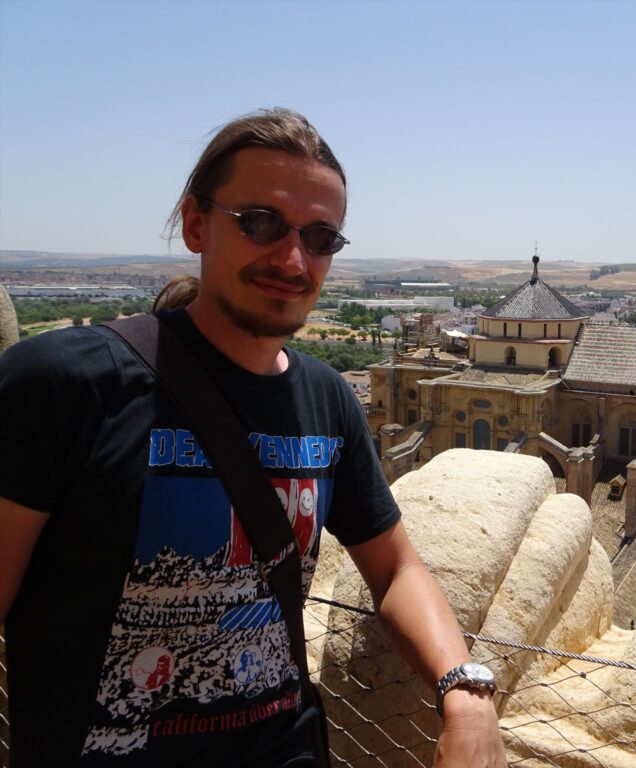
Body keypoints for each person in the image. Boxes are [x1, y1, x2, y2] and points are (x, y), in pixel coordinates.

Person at [0, 108, 506, 767]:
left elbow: (395, 568)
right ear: (196, 223)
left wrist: (465, 693)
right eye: (260, 222)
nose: (293, 258)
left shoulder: (327, 400)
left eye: (320, 237)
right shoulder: (63, 385)